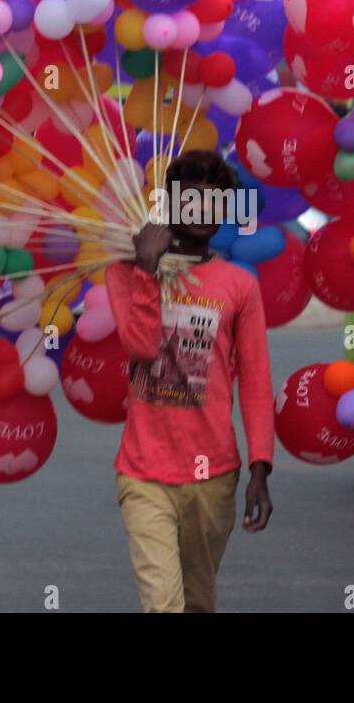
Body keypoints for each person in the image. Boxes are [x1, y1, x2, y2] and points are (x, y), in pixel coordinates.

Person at [103, 149, 274, 613]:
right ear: (170, 204)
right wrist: (146, 270)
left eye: (215, 202)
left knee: (198, 601)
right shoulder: (125, 271)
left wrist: (260, 466)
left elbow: (256, 378)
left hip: (213, 475)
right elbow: (140, 347)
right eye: (191, 200)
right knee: (163, 603)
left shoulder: (239, 285)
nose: (202, 212)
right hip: (143, 472)